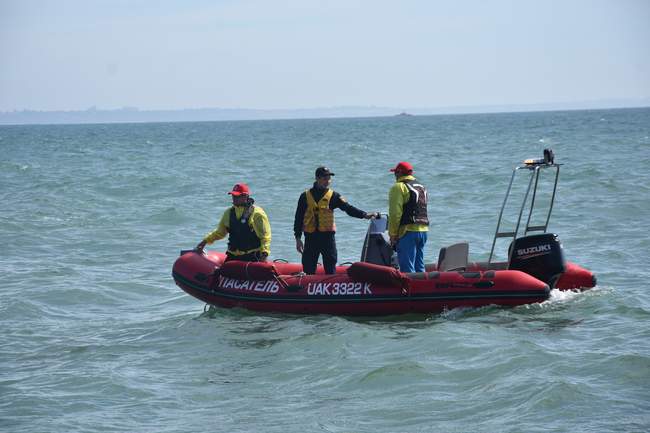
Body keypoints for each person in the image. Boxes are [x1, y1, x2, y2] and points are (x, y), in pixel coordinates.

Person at [294, 166, 378, 274]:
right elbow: (298, 218)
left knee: (330, 267)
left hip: (327, 238)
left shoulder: (334, 196)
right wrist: (298, 238)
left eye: (329, 178)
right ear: (317, 178)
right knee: (308, 267)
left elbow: (348, 208)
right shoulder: (305, 196)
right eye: (325, 178)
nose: (327, 181)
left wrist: (364, 215)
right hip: (311, 238)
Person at [195, 183, 271, 262]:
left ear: (245, 196)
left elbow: (265, 237)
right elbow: (220, 232)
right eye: (233, 196)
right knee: (218, 274)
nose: (234, 198)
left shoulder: (257, 213)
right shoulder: (228, 213)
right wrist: (204, 242)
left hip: (251, 256)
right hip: (232, 256)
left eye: (237, 196)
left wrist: (264, 254)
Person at [388, 161, 429, 272]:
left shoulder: (398, 187)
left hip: (407, 232)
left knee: (407, 269)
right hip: (424, 230)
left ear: (399, 173)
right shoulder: (421, 187)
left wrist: (393, 234)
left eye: (395, 173)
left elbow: (395, 213)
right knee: (419, 267)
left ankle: (410, 289)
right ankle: (423, 287)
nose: (394, 175)